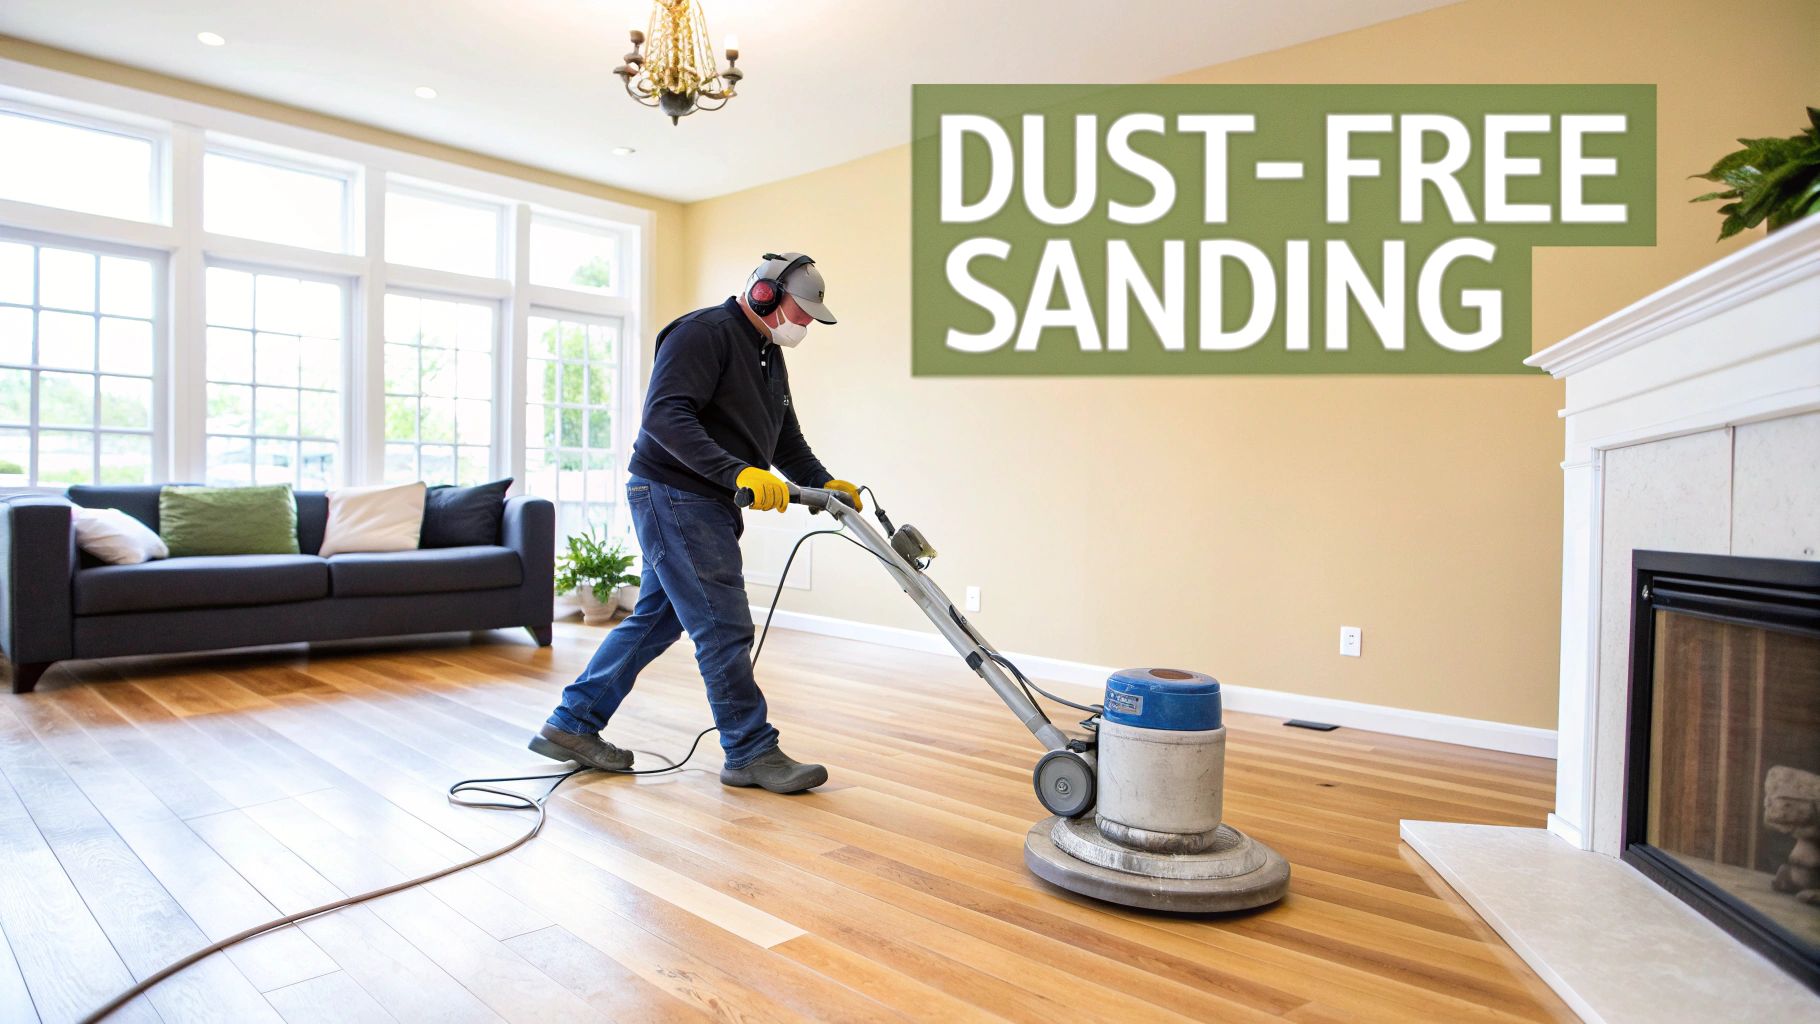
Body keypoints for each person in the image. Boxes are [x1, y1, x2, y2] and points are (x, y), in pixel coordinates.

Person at [529, 252, 861, 793]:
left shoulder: (767, 353)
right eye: (798, 312)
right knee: (723, 624)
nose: (803, 325)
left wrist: (825, 484)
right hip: (674, 493)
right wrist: (738, 472)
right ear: (764, 295)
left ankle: (571, 725)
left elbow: (783, 440)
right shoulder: (702, 334)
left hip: (703, 499)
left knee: (658, 618)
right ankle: (750, 750)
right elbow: (664, 416)